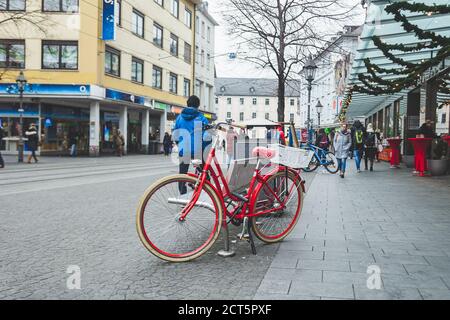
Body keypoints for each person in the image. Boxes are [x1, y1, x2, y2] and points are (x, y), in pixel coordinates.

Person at [172, 95, 210, 194]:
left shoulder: (180, 117)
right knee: (204, 173)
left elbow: (175, 134)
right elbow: (207, 136)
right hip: (198, 151)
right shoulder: (201, 118)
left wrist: (180, 144)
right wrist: (204, 147)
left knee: (182, 174)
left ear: (187, 104)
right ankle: (208, 194)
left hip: (184, 150)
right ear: (198, 105)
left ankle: (182, 196)